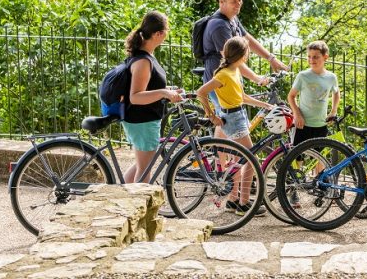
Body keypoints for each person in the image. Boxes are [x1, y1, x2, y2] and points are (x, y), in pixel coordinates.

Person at [196, 36, 274, 215]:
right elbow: (201, 92)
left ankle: (233, 199)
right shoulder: (223, 74)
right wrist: (211, 115)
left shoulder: (235, 71)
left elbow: (243, 98)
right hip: (232, 118)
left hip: (239, 114)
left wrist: (266, 106)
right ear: (243, 54)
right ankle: (244, 202)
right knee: (251, 158)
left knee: (239, 159)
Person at [121, 11, 184, 183]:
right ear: (158, 34)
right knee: (144, 169)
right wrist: (164, 93)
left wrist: (168, 90)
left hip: (144, 119)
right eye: (166, 31)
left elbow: (150, 86)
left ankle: (120, 195)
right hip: (142, 120)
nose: (167, 35)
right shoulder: (143, 61)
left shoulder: (146, 56)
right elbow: (135, 96)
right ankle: (141, 207)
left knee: (142, 164)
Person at [201, 0, 288, 83]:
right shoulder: (219, 26)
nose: (238, 4)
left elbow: (247, 39)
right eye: (233, 1)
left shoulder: (232, 17)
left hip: (232, 80)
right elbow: (231, 59)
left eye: (240, 0)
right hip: (219, 85)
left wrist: (271, 58)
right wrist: (256, 78)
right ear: (221, 2)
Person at [287, 40, 340, 145]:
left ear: (325, 57)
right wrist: (297, 115)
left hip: (321, 124)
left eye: (315, 57)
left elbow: (336, 92)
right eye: (309, 56)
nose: (311, 60)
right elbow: (291, 96)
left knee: (320, 159)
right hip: (303, 124)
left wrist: (333, 111)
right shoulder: (303, 76)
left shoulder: (331, 77)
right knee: (298, 158)